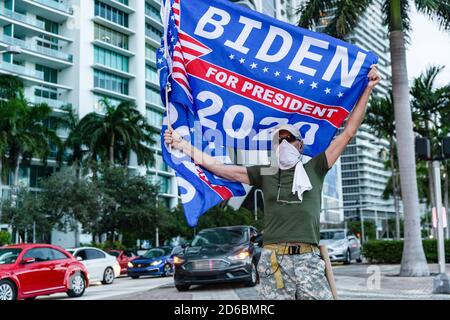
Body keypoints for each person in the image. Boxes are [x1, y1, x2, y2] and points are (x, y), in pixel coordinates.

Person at [164, 65, 381, 300]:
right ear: (274, 147)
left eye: (290, 139)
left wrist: (367, 89)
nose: (284, 143)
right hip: (274, 260)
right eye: (279, 140)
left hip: (309, 259)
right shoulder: (265, 173)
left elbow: (349, 131)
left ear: (300, 145)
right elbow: (220, 168)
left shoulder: (316, 168)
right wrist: (182, 144)